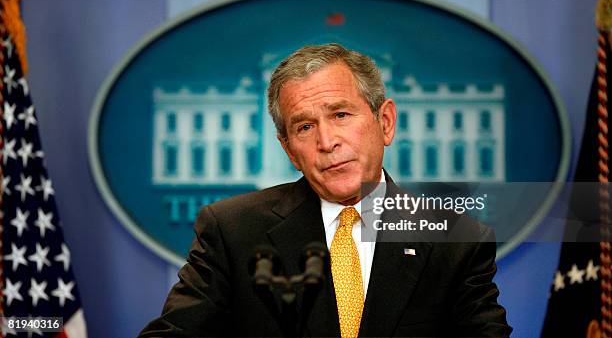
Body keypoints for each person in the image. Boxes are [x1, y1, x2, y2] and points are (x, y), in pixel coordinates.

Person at [138, 43, 512, 337]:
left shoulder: (457, 242)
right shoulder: (232, 231)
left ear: (385, 122)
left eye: (341, 115)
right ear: (289, 151)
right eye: (304, 127)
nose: (327, 141)